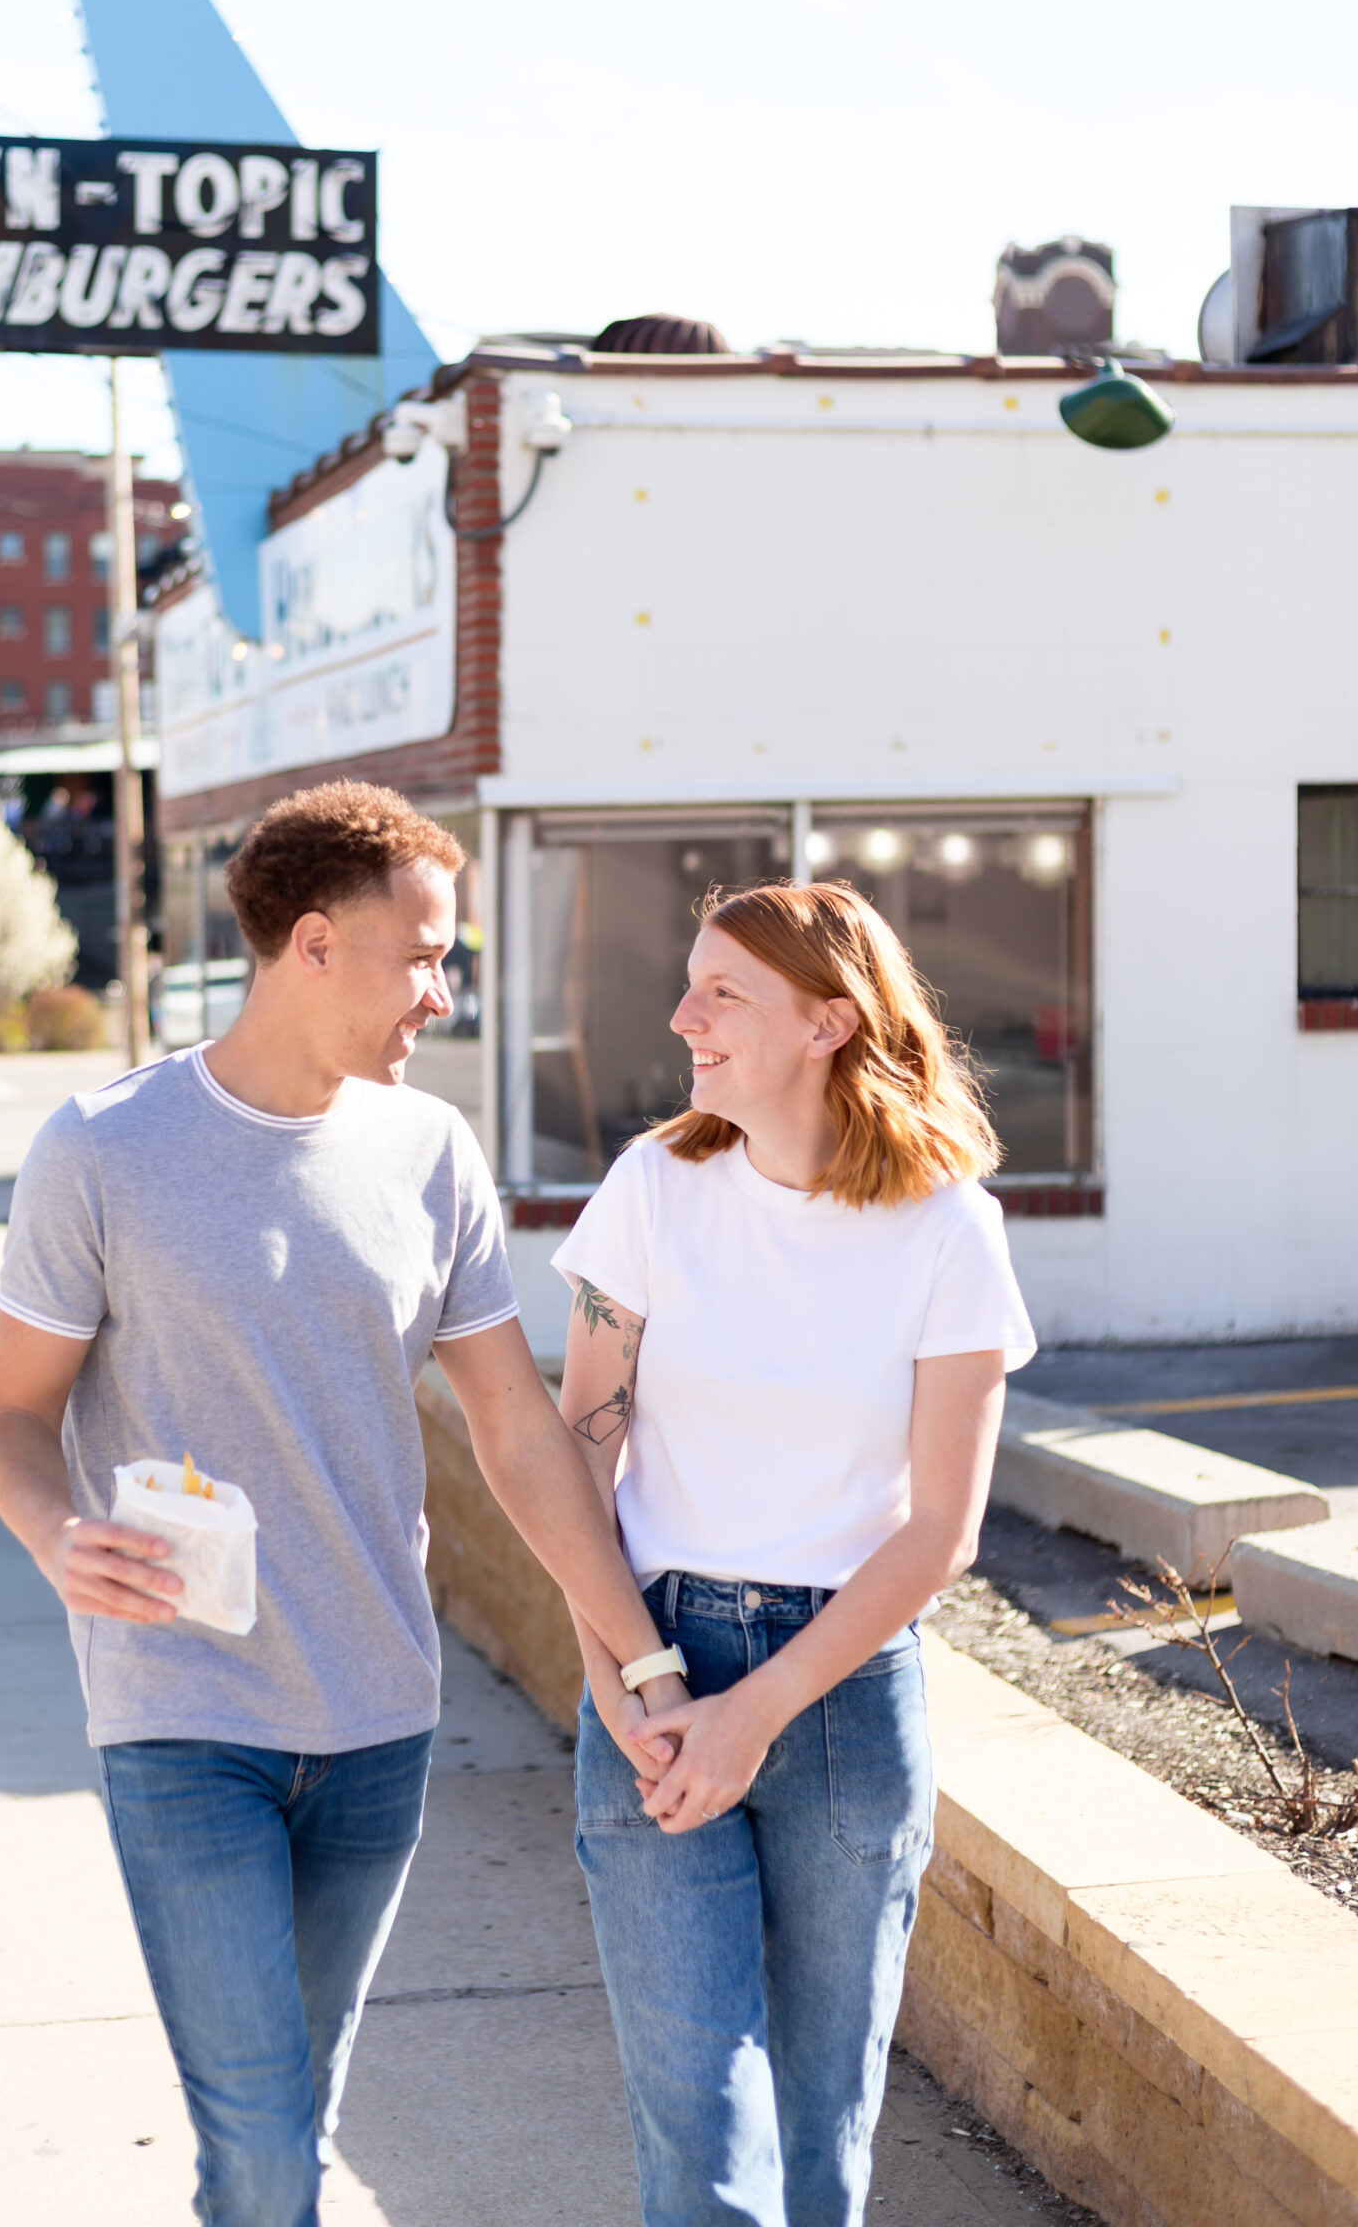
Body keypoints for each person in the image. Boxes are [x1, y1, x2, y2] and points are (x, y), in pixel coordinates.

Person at [0, 779, 684, 2227]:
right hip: (181, 1712)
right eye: (424, 954)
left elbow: (515, 1428)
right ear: (310, 944)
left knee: (301, 2112)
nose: (444, 989)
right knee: (256, 2137)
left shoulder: (432, 1156)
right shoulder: (101, 1150)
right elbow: (13, 1416)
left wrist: (636, 1651)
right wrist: (57, 1535)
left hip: (376, 1714)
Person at [554, 879, 1035, 2227]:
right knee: (706, 2157)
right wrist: (619, 1670)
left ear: (829, 1023)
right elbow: (579, 1450)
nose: (681, 1015)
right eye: (692, 981)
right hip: (656, 1661)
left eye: (724, 993)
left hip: (841, 1695)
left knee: (819, 2152)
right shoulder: (651, 1188)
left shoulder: (949, 1228)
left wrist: (755, 1711)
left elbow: (941, 1530)